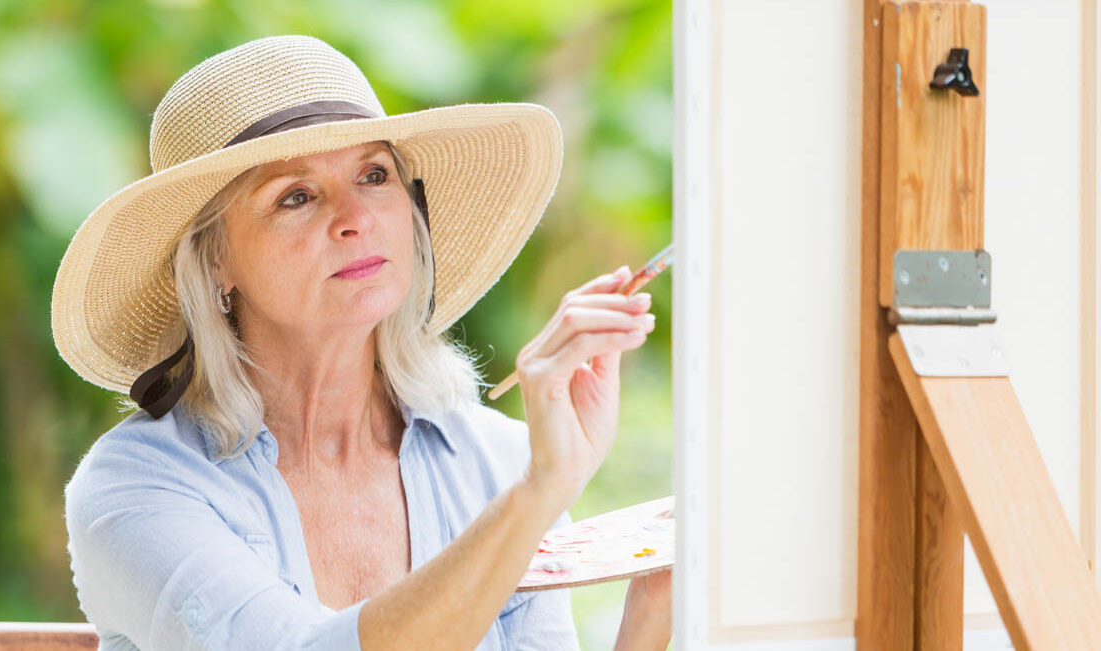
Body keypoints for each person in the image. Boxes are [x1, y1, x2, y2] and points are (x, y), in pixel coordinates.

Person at [52, 34, 670, 650]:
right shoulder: (136, 485)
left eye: (374, 174)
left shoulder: (498, 462)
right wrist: (538, 492)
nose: (357, 217)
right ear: (216, 262)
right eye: (296, 195)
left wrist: (651, 621)